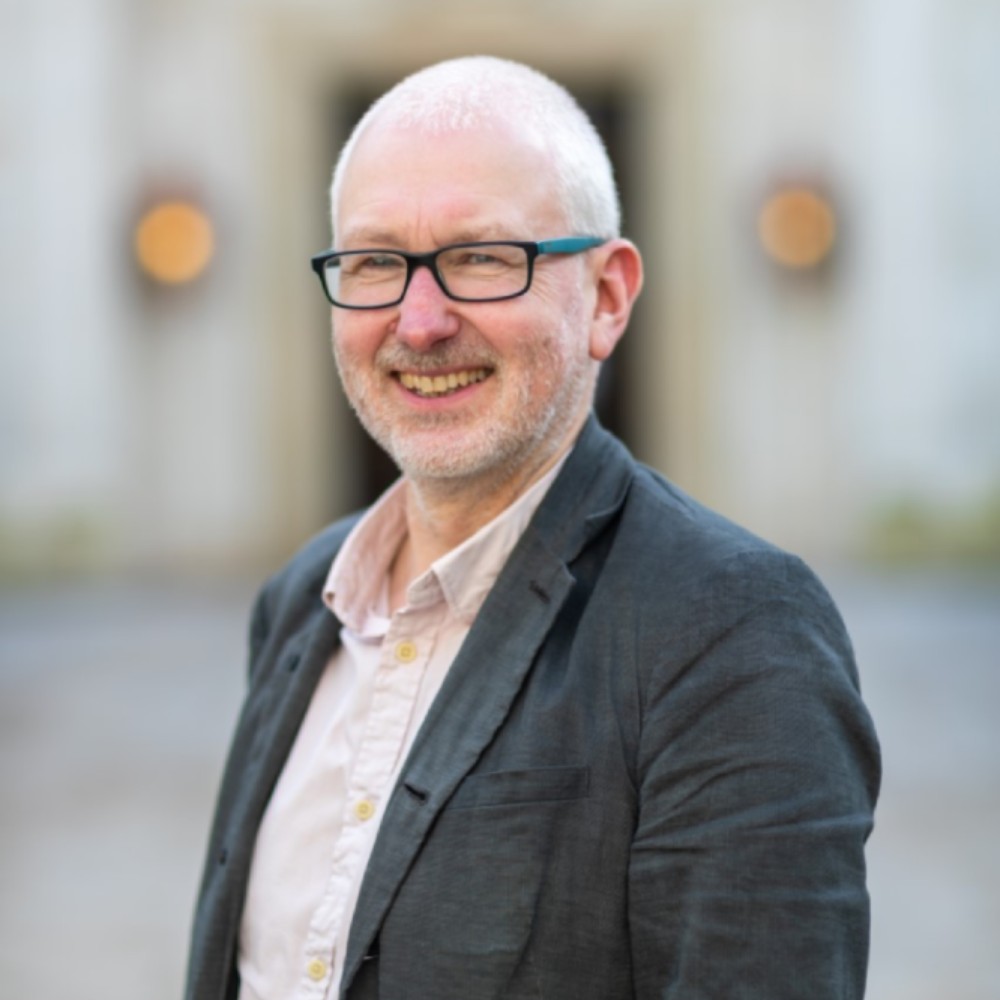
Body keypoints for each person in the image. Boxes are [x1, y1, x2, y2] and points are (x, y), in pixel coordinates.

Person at [185, 56, 880, 1000]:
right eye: (376, 262)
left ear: (605, 296)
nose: (418, 320)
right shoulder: (300, 601)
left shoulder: (735, 632)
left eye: (481, 257)